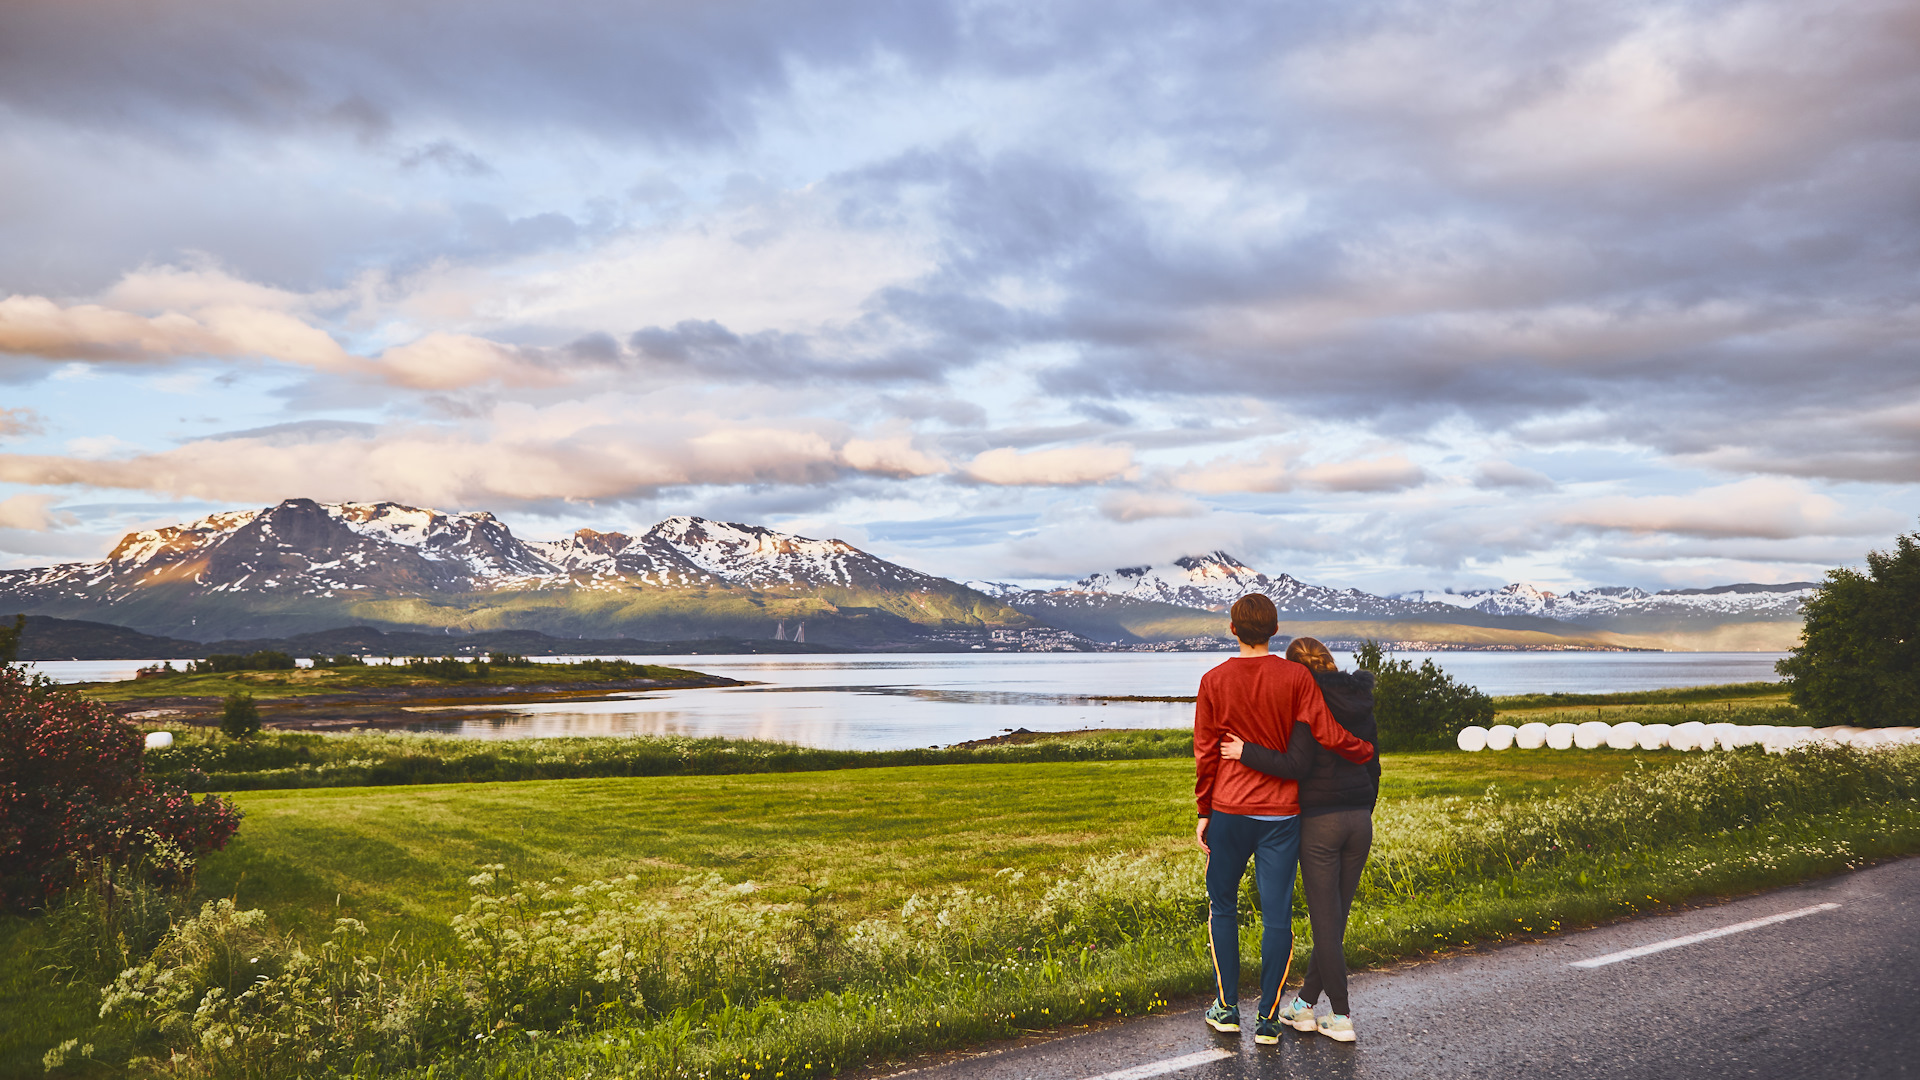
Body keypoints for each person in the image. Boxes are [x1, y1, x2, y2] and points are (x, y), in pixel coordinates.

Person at [1194, 597, 1376, 1046]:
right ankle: (1270, 1018)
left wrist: (1203, 811)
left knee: (1223, 907)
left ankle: (1227, 1008)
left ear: (1232, 629)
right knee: (1277, 916)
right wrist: (1364, 750)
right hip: (1281, 815)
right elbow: (1327, 733)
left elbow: (1205, 753)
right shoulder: (1296, 677)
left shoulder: (1213, 680)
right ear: (1274, 630)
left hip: (1229, 810)